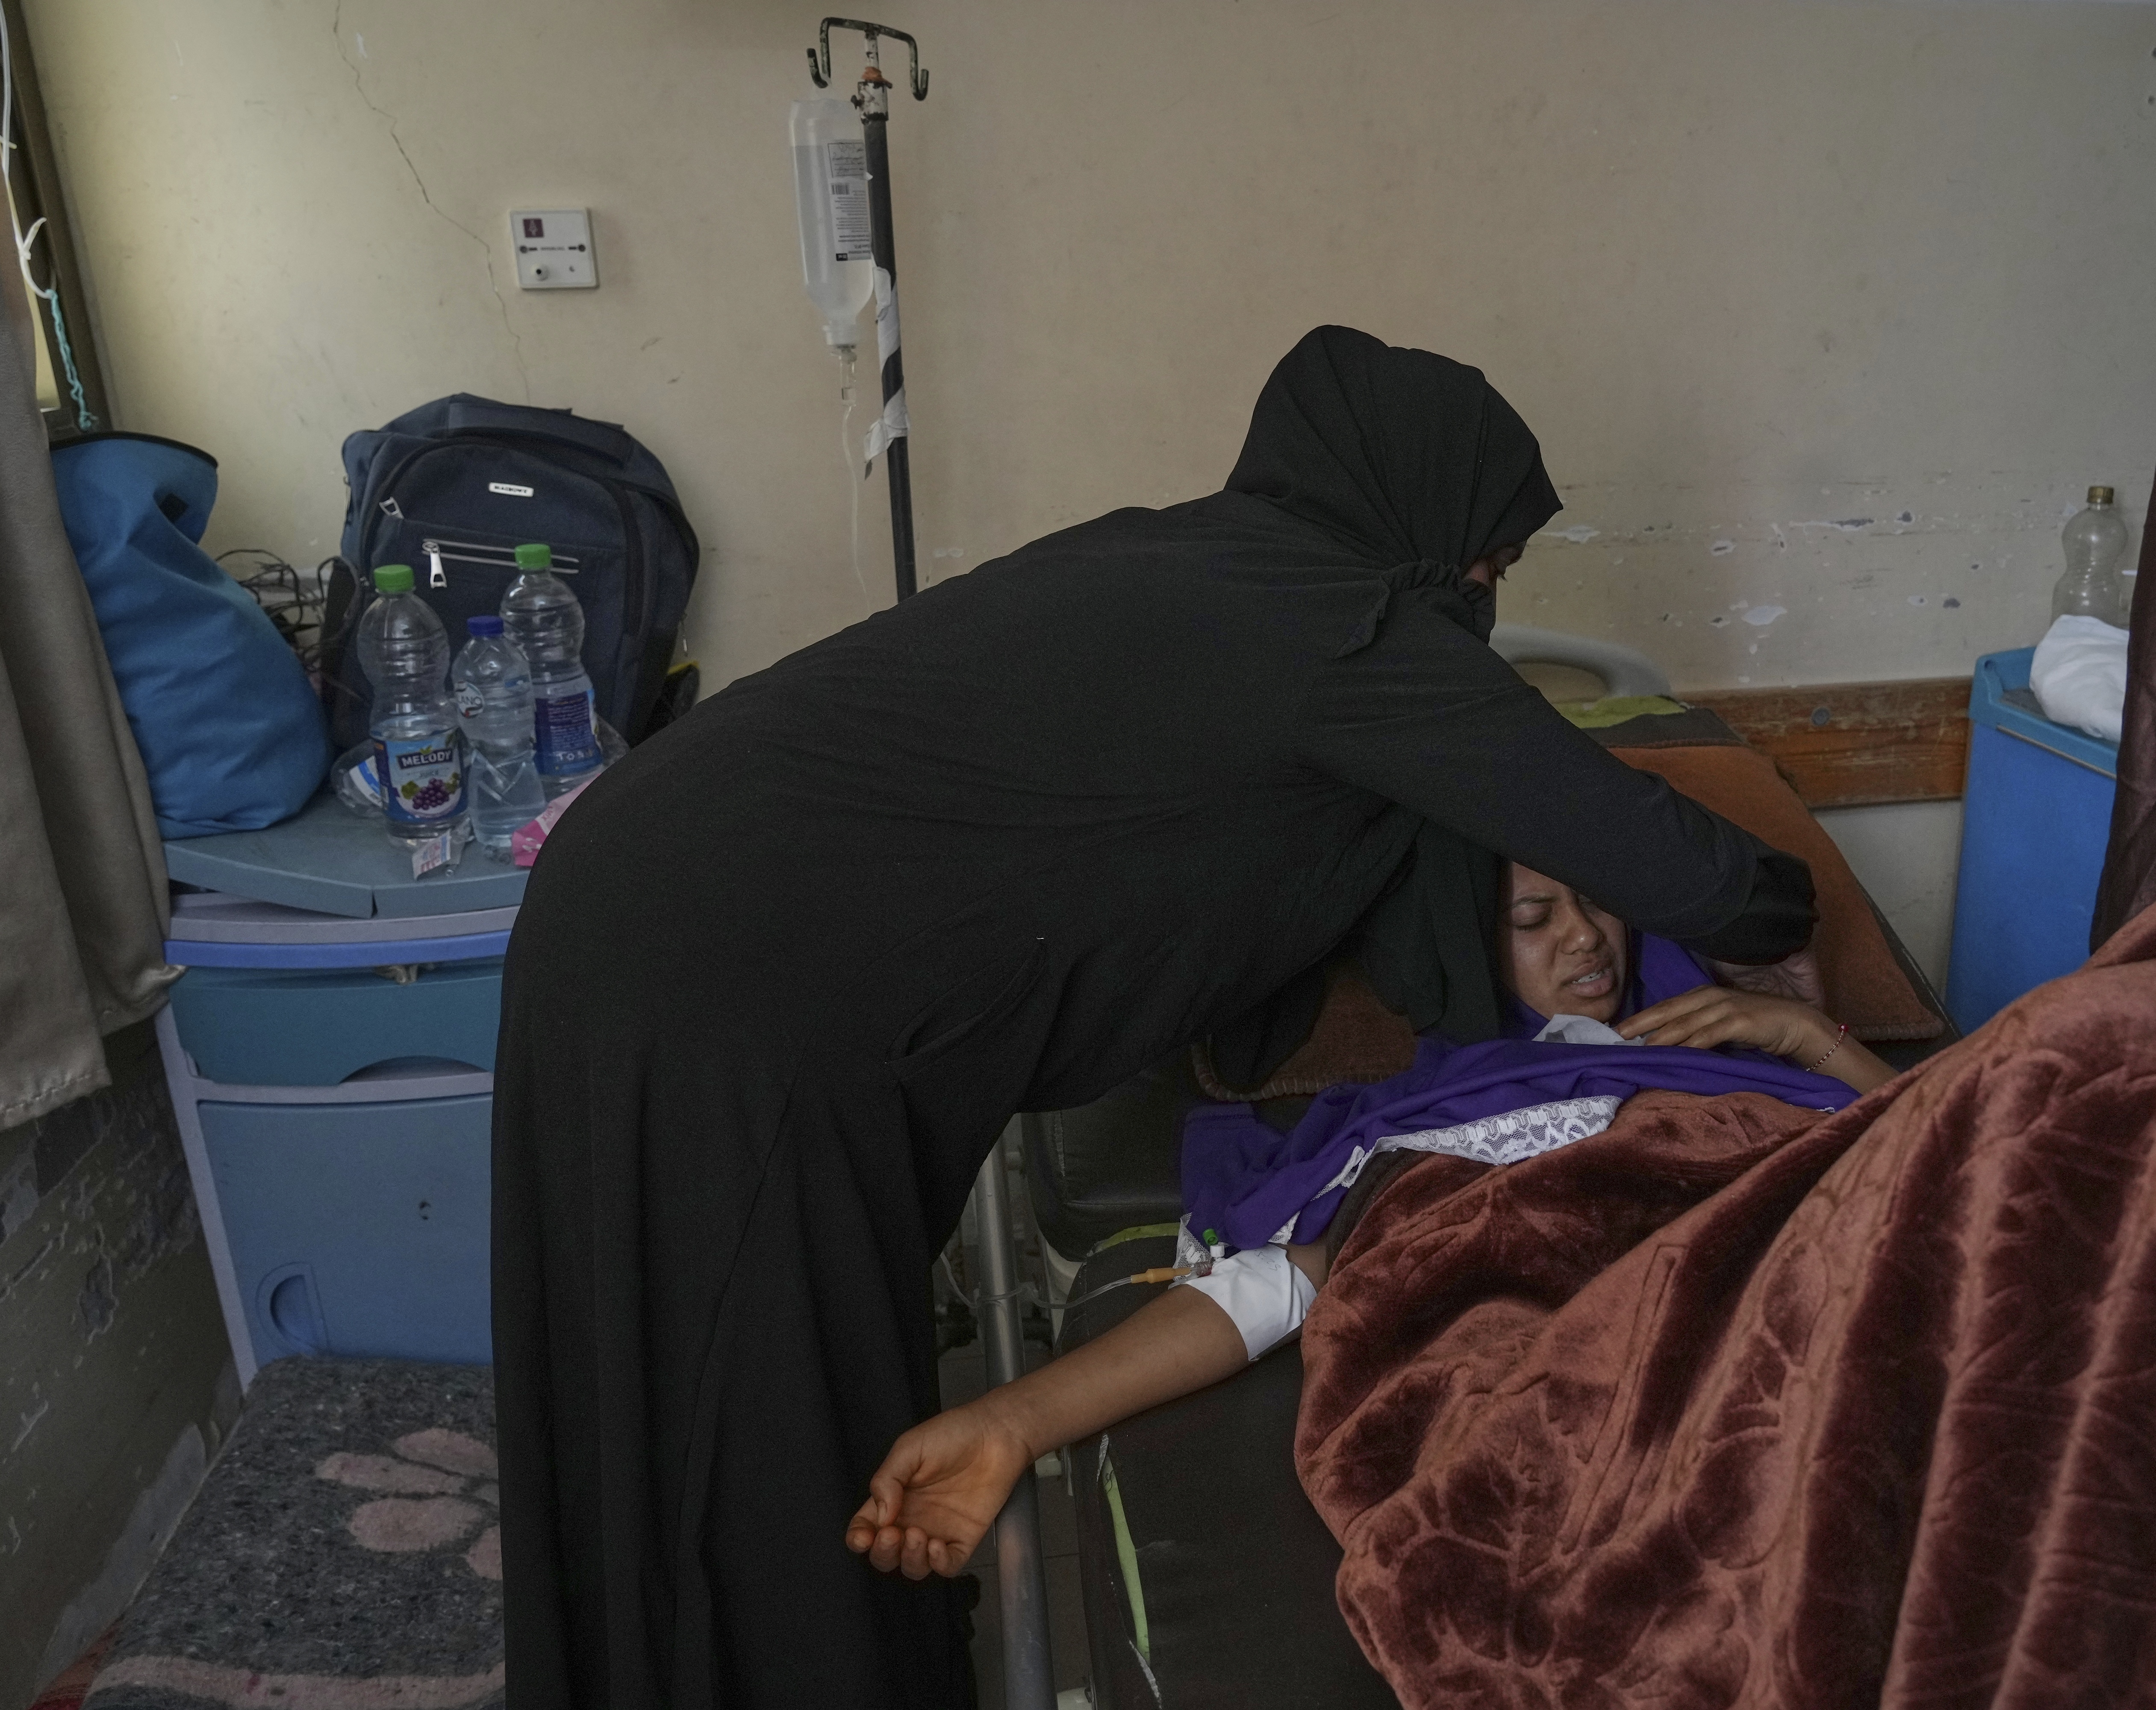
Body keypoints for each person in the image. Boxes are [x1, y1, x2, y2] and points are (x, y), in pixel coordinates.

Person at [492, 326, 1823, 1707]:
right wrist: (1796, 915)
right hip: (730, 978)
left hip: (640, 889)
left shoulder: (1197, 559)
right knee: (755, 1419)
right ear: (1420, 527)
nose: (1483, 602)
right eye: (1488, 566)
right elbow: (1689, 868)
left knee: (656, 1379)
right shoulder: (1349, 629)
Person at [845, 859, 1894, 1581]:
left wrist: (1805, 1035)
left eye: (1598, 899)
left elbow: (1940, 1150)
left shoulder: (1734, 1056)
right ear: (1466, 948)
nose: (1584, 936)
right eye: (1532, 918)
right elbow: (1292, 1283)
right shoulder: (1435, 1112)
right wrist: (1011, 1422)